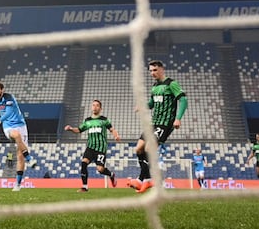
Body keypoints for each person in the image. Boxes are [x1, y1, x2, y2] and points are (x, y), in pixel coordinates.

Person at [128, 60, 187, 194]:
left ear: (162, 69)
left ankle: (140, 179)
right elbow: (152, 103)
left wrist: (178, 118)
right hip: (153, 123)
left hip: (165, 124)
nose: (152, 73)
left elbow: (183, 100)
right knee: (138, 149)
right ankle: (148, 179)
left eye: (155, 70)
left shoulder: (171, 84)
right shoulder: (154, 87)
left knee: (149, 148)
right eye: (150, 71)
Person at [63, 99, 120, 192]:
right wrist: (70, 129)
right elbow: (79, 130)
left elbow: (112, 129)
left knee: (100, 169)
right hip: (90, 147)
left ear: (100, 108)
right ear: (91, 107)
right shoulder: (87, 120)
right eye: (93, 105)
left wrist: (116, 136)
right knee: (84, 163)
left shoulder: (104, 120)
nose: (95, 107)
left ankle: (111, 175)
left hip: (101, 148)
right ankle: (84, 186)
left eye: (97, 105)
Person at [0, 80, 35, 192]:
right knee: (16, 134)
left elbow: (8, 112)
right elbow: (3, 112)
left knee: (19, 156)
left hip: (21, 125)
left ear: (2, 90)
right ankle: (29, 158)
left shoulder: (9, 97)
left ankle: (17, 184)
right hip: (8, 126)